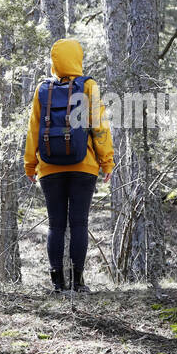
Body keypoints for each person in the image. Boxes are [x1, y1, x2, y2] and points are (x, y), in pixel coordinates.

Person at [24, 38, 114, 293]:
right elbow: (99, 126)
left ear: (55, 61)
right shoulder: (88, 86)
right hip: (83, 166)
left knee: (55, 225)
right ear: (78, 58)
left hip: (49, 167)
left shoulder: (43, 89)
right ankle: (78, 282)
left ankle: (57, 283)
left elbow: (33, 129)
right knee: (79, 224)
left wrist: (30, 165)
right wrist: (107, 162)